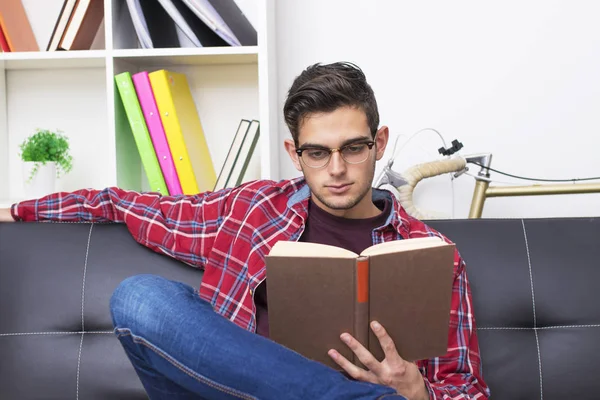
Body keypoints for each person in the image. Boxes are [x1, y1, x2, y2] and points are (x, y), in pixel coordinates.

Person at [0, 62, 490, 400]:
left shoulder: (431, 253)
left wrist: (417, 390)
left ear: (379, 143)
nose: (336, 168)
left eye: (353, 148)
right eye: (317, 152)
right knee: (140, 298)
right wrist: (18, 210)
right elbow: (124, 203)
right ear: (293, 151)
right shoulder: (252, 207)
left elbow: (468, 391)